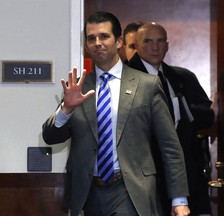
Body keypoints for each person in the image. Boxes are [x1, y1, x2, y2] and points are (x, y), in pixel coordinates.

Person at [42, 11, 190, 216]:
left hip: (130, 189)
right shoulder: (78, 87)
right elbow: (51, 137)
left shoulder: (146, 85)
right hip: (88, 192)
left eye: (104, 36)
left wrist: (179, 199)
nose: (97, 43)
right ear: (86, 46)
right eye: (91, 38)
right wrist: (66, 109)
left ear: (119, 41)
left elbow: (170, 147)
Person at [128, 22, 215, 216]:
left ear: (167, 45)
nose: (155, 47)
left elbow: (204, 118)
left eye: (160, 41)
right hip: (141, 173)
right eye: (148, 41)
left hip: (181, 170)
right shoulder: (125, 77)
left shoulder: (179, 77)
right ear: (136, 45)